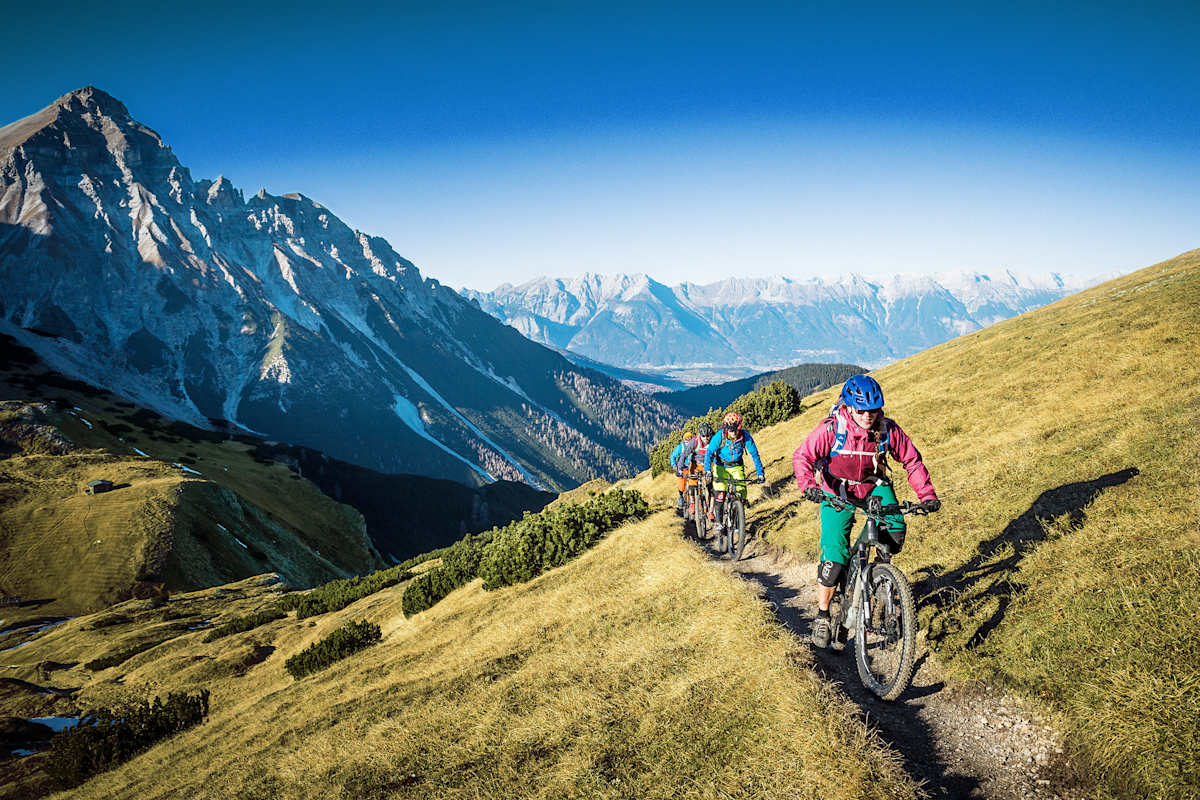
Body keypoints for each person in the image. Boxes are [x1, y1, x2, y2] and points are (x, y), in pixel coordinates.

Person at [792, 374, 941, 649]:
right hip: (836, 491)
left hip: (874, 487)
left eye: (873, 410)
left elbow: (911, 460)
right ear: (848, 407)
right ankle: (823, 615)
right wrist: (809, 485)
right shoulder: (831, 429)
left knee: (894, 531)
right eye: (861, 410)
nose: (867, 416)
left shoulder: (887, 430)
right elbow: (803, 457)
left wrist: (927, 495)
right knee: (834, 559)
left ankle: (880, 576)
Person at [703, 412, 765, 536]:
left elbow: (754, 454)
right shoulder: (720, 436)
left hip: (737, 466)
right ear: (726, 428)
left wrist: (760, 474)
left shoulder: (745, 436)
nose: (733, 433)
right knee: (720, 495)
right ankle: (719, 523)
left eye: (735, 429)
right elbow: (709, 453)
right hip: (721, 466)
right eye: (730, 430)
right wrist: (708, 471)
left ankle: (738, 518)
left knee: (742, 492)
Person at [677, 422, 714, 516]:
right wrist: (679, 469)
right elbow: (684, 454)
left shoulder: (713, 440)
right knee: (692, 485)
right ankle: (693, 503)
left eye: (708, 436)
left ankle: (711, 510)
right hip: (695, 464)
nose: (706, 438)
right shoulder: (695, 441)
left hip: (709, 465)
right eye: (704, 436)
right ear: (700, 435)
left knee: (711, 487)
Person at [669, 433, 695, 513]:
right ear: (684, 440)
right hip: (682, 468)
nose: (687, 442)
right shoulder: (680, 447)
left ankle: (694, 502)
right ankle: (681, 496)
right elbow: (672, 456)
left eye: (689, 440)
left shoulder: (694, 446)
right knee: (681, 484)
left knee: (693, 484)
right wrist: (674, 466)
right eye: (686, 440)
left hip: (691, 468)